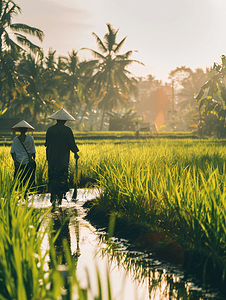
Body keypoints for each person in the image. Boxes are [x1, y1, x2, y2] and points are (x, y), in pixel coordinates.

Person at [45, 108, 79, 207]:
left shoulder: (50, 130)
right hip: (63, 161)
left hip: (52, 159)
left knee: (53, 178)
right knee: (62, 179)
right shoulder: (68, 130)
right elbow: (72, 144)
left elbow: (46, 143)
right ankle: (60, 199)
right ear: (65, 120)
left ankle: (52, 196)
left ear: (56, 120)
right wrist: (75, 153)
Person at [10, 120, 36, 192]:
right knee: (28, 179)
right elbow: (33, 152)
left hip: (18, 163)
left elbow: (12, 152)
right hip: (28, 162)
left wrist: (15, 162)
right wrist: (33, 159)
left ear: (19, 130)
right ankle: (27, 193)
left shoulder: (15, 140)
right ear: (26, 130)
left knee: (19, 180)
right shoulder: (30, 138)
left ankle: (18, 193)